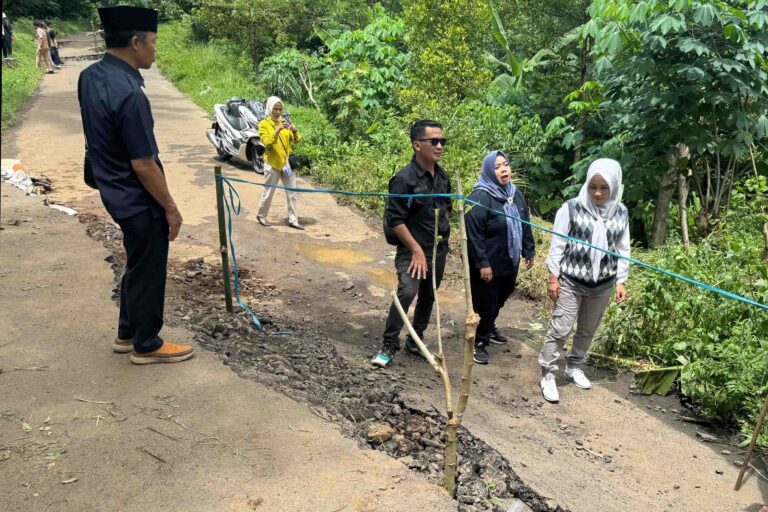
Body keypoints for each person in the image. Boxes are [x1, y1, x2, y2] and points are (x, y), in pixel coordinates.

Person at [78, 5, 194, 365]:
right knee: (149, 267)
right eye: (153, 42)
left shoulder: (89, 76)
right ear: (134, 42)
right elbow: (143, 163)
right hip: (137, 195)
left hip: (112, 190)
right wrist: (171, 208)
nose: (155, 49)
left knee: (138, 260)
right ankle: (147, 344)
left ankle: (127, 333)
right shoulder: (131, 95)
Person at [538, 158, 630, 402]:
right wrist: (553, 277)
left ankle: (573, 366)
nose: (598, 193)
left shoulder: (621, 212)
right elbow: (558, 244)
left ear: (614, 186)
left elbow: (623, 248)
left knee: (588, 329)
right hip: (571, 280)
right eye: (593, 187)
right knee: (561, 327)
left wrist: (620, 281)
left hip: (602, 284)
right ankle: (548, 372)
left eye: (604, 187)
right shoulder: (571, 207)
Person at [372, 120, 451, 368]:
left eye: (442, 141)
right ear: (417, 145)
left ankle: (415, 339)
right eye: (434, 141)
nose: (439, 146)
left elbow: (447, 210)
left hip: (437, 249)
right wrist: (416, 250)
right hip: (412, 249)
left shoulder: (443, 177)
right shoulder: (403, 180)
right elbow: (395, 220)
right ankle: (389, 343)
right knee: (407, 290)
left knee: (430, 294)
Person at [466, 151, 535, 365]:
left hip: (509, 259)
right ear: (488, 171)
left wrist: (528, 249)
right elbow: (473, 233)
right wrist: (482, 264)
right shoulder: (480, 197)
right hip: (488, 262)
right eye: (497, 167)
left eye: (505, 164)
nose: (504, 169)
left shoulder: (515, 194)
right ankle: (479, 343)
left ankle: (489, 326)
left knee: (503, 295)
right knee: (485, 303)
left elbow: (525, 222)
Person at [256, 96, 304, 230]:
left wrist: (294, 131)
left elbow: (297, 140)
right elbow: (267, 143)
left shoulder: (285, 122)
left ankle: (293, 220)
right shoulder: (263, 125)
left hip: (287, 163)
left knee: (292, 192)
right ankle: (261, 215)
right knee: (269, 192)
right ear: (270, 109)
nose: (278, 112)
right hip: (273, 163)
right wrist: (277, 130)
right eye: (275, 109)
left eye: (280, 109)